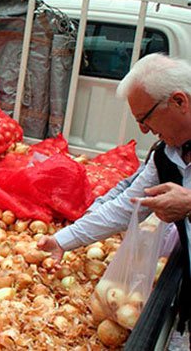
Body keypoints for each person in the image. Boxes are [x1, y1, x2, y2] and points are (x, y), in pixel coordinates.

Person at [37, 53, 191, 337]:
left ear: (179, 102)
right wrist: (62, 241)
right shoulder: (166, 155)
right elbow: (126, 205)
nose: (144, 129)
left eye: (145, 118)